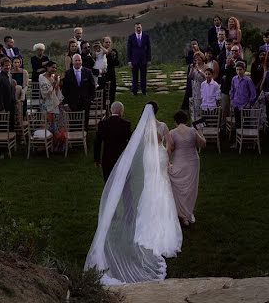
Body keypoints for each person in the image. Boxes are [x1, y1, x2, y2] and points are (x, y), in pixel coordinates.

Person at [85, 102, 182, 285]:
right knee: (138, 188)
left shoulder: (106, 124)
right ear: (121, 111)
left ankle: (113, 212)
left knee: (111, 187)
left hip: (110, 161)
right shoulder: (130, 125)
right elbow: (133, 143)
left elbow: (100, 142)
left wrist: (97, 159)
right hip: (145, 159)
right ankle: (130, 212)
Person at [168, 110, 206, 227]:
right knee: (190, 189)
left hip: (180, 162)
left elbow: (169, 150)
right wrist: (200, 131)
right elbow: (203, 144)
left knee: (179, 188)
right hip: (193, 162)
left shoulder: (172, 133)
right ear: (186, 120)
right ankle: (188, 213)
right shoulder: (193, 130)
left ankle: (183, 215)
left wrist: (167, 162)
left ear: (175, 121)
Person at [93, 101, 132, 182]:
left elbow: (97, 142)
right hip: (121, 157)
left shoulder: (103, 124)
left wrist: (96, 159)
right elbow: (131, 141)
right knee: (121, 182)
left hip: (107, 157)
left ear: (111, 110)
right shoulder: (126, 124)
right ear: (122, 111)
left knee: (108, 181)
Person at [39, 60, 67, 151]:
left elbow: (58, 90)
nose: (54, 69)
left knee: (59, 124)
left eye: (55, 68)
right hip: (47, 105)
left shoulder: (55, 77)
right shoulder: (42, 78)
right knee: (49, 125)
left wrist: (60, 82)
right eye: (52, 67)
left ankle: (59, 145)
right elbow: (46, 93)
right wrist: (54, 83)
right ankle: (49, 146)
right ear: (47, 67)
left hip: (57, 103)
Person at [63, 53, 96, 126]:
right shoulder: (68, 73)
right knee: (73, 122)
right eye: (76, 60)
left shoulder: (88, 72)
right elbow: (65, 89)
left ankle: (85, 135)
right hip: (72, 103)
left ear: (81, 61)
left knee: (85, 122)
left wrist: (91, 99)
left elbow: (92, 87)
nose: (78, 62)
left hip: (85, 102)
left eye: (79, 60)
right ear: (72, 61)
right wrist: (65, 103)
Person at [126, 22, 151, 96]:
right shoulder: (131, 37)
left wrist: (149, 59)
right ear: (135, 28)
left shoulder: (146, 36)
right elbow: (129, 49)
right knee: (135, 77)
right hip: (134, 60)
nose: (138, 29)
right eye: (137, 27)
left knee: (143, 76)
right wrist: (129, 61)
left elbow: (149, 48)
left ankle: (144, 91)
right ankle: (135, 91)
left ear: (141, 27)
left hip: (143, 59)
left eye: (139, 27)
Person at [229, 61, 256, 128]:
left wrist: (249, 103)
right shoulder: (234, 79)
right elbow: (232, 90)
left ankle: (246, 137)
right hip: (236, 104)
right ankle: (237, 136)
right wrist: (232, 100)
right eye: (237, 69)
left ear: (244, 69)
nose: (239, 71)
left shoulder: (248, 80)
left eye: (240, 69)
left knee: (246, 123)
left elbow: (253, 93)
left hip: (245, 104)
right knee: (237, 123)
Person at [0, 57, 16, 129]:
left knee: (11, 127)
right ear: (1, 66)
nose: (8, 67)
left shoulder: (10, 76)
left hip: (10, 105)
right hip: (3, 107)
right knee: (3, 128)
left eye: (9, 65)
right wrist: (1, 108)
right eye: (5, 65)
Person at [188, 51, 207, 121]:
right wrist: (192, 69)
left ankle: (202, 119)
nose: (197, 61)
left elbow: (206, 77)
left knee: (202, 104)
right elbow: (190, 77)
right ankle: (196, 120)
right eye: (196, 59)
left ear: (202, 59)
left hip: (203, 86)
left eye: (199, 59)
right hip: (195, 86)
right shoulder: (194, 66)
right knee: (195, 103)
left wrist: (198, 70)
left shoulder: (205, 66)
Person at [103, 36, 120, 105]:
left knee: (112, 92)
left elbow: (116, 63)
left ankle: (111, 107)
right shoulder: (100, 52)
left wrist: (113, 56)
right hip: (103, 74)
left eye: (109, 42)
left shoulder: (114, 51)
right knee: (104, 92)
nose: (108, 44)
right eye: (106, 42)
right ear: (103, 43)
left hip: (111, 73)